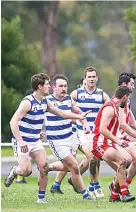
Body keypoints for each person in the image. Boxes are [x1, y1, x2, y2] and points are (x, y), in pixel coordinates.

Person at [4, 73, 89, 203]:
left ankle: (41, 198)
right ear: (39, 87)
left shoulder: (45, 102)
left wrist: (79, 117)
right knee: (26, 171)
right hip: (22, 141)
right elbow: (13, 122)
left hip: (35, 141)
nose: (49, 86)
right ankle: (15, 171)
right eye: (47, 84)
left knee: (44, 167)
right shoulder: (27, 103)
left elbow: (61, 113)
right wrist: (21, 142)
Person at [43, 74, 93, 200]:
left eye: (65, 86)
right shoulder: (47, 101)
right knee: (74, 166)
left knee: (86, 158)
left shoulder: (68, 99)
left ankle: (47, 168)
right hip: (57, 141)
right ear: (54, 87)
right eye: (60, 86)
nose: (64, 88)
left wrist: (86, 125)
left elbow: (79, 113)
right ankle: (86, 194)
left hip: (71, 137)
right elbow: (60, 114)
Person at [69, 66, 110, 198]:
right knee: (93, 156)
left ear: (97, 78)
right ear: (85, 79)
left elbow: (111, 110)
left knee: (96, 157)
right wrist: (74, 123)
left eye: (93, 77)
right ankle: (96, 186)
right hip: (82, 133)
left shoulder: (102, 95)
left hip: (97, 133)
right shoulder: (76, 93)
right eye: (89, 77)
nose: (91, 79)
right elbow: (66, 109)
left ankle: (87, 184)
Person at [91, 86, 135, 202]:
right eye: (128, 98)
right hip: (99, 144)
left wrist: (120, 139)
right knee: (122, 162)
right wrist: (117, 140)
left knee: (128, 160)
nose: (128, 102)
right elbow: (102, 129)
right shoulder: (109, 108)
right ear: (124, 97)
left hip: (108, 143)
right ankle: (124, 193)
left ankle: (115, 195)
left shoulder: (115, 108)